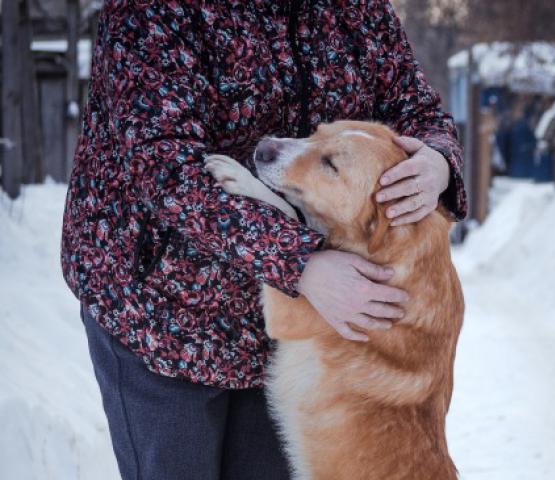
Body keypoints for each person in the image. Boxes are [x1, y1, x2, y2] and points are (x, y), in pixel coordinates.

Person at [61, 1, 467, 479]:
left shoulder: (355, 8)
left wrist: (438, 159)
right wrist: (298, 263)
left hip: (280, 328)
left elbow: (415, 107)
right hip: (161, 312)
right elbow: (163, 169)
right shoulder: (154, 10)